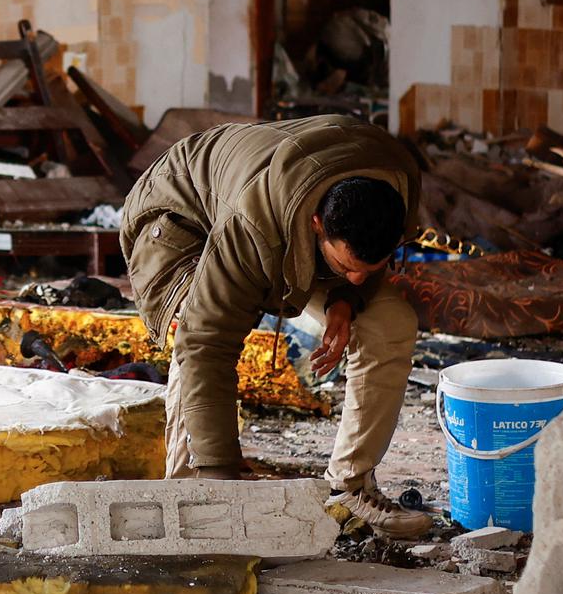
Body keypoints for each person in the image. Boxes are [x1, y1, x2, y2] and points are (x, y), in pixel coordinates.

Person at [120, 114, 431, 539]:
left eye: (367, 269)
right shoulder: (250, 225)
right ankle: (194, 501)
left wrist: (347, 297)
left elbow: (363, 266)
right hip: (180, 216)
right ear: (318, 224)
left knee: (390, 320)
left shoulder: (398, 181)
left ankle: (348, 489)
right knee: (196, 325)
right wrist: (222, 478)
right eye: (344, 267)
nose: (357, 276)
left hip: (285, 205)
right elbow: (206, 345)